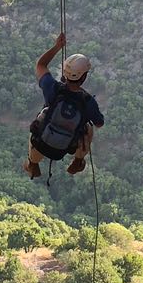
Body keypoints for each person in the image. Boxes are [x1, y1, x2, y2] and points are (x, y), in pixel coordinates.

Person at [25, 31, 105, 180]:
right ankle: (78, 161)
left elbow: (41, 65)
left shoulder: (52, 88)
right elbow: (99, 123)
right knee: (88, 128)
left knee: (42, 116)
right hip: (65, 147)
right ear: (84, 77)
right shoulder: (88, 102)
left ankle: (33, 163)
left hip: (41, 143)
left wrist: (57, 46)